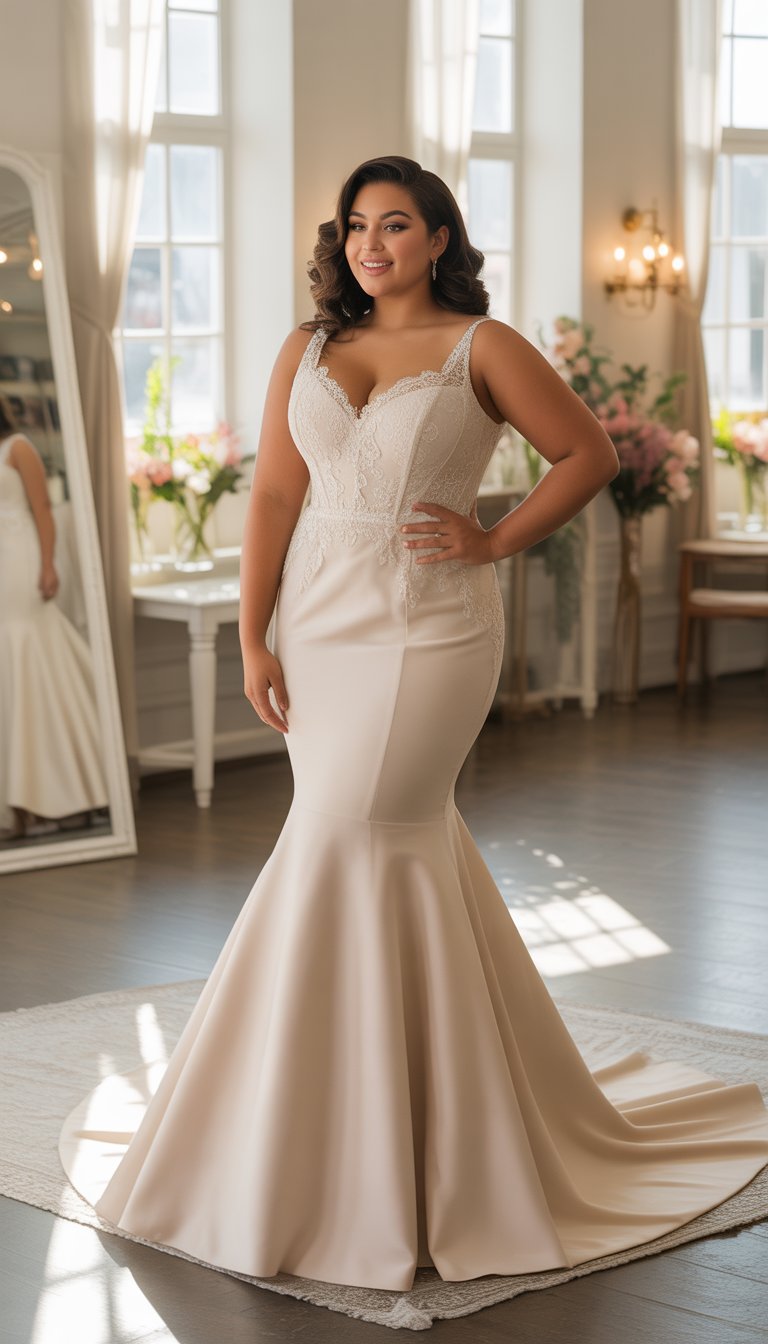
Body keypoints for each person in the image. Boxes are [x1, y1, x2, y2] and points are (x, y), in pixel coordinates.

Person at [58, 156, 768, 1293]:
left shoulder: (482, 347)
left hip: (429, 629)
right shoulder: (310, 348)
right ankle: (393, 1123)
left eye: (395, 225)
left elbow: (584, 454)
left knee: (357, 832)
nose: (370, 245)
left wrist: (491, 536)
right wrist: (254, 633)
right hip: (322, 624)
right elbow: (278, 497)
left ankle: (358, 1149)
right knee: (385, 844)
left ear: (440, 237)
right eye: (354, 228)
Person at [0, 403, 108, 841]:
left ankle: (61, 793)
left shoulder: (18, 446)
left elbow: (43, 508)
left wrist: (48, 565)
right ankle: (19, 801)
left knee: (27, 648)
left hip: (20, 559)